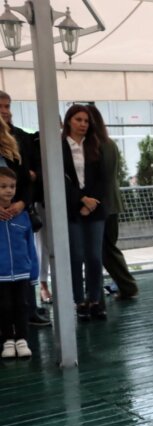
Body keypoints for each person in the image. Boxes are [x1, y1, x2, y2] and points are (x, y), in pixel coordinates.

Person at [0, 91, 50, 326]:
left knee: (26, 260)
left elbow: (29, 179)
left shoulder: (17, 139)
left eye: (8, 106)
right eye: (1, 106)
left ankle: (28, 311)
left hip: (18, 213)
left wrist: (21, 203)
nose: (6, 111)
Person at [86, 105, 139, 301]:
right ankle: (124, 286)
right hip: (110, 204)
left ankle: (127, 286)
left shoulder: (100, 145)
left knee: (106, 249)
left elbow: (105, 178)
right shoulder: (108, 144)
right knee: (107, 248)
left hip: (104, 206)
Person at [62, 104, 108, 321]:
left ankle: (95, 300)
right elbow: (61, 178)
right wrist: (81, 200)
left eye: (86, 121)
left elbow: (103, 178)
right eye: (78, 119)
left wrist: (91, 202)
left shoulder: (95, 146)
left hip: (95, 209)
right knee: (76, 255)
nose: (82, 124)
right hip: (72, 209)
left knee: (94, 257)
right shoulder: (60, 146)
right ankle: (79, 301)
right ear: (69, 121)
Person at [0, 167, 37, 358]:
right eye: (3, 186)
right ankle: (7, 340)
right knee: (4, 306)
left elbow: (31, 244)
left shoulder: (22, 216)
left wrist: (34, 272)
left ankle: (22, 339)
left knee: (23, 305)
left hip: (22, 271)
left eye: (12, 186)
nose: (8, 190)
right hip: (1, 273)